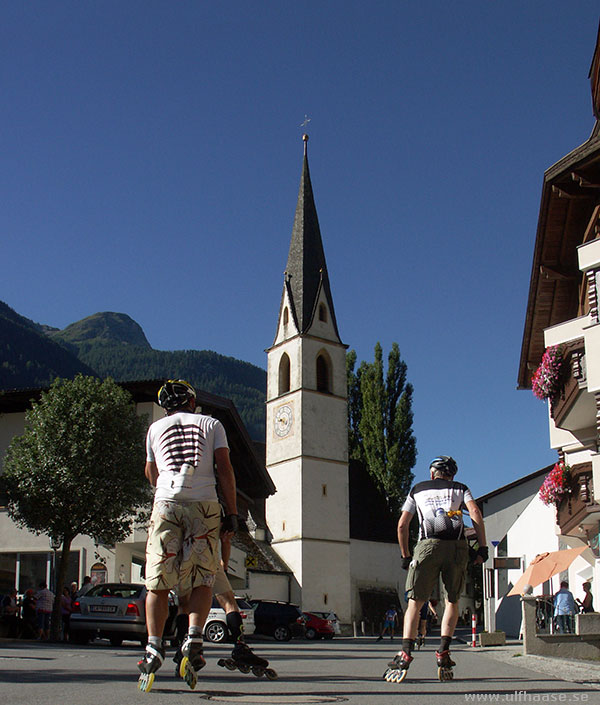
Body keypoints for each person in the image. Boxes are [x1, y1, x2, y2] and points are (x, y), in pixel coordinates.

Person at [137, 379, 238, 692]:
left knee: (157, 581)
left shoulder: (155, 429)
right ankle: (193, 637)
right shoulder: (211, 424)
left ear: (166, 406)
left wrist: (164, 487)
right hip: (203, 504)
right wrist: (231, 512)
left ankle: (154, 647)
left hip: (166, 503)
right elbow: (224, 467)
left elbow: (150, 473)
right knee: (202, 578)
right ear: (192, 401)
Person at [388, 456, 487, 682]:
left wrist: (406, 555)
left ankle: (405, 654)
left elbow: (402, 524)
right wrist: (482, 548)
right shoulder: (461, 489)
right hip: (457, 549)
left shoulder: (418, 489)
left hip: (427, 546)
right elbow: (476, 514)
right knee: (452, 601)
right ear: (453, 475)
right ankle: (443, 652)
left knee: (415, 602)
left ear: (432, 473)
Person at [173, 532, 275, 679]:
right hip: (208, 555)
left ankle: (182, 650)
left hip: (182, 552)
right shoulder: (213, 509)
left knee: (184, 605)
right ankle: (240, 647)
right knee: (229, 602)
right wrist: (224, 566)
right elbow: (226, 539)